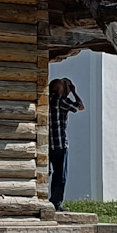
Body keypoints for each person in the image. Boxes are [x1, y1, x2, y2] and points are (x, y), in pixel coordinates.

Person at [47, 77, 85, 210]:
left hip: (45, 144)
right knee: (59, 175)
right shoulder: (61, 100)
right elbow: (80, 106)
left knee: (46, 172)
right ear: (60, 89)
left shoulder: (45, 99)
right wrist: (74, 92)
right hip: (60, 144)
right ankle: (55, 203)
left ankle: (41, 198)